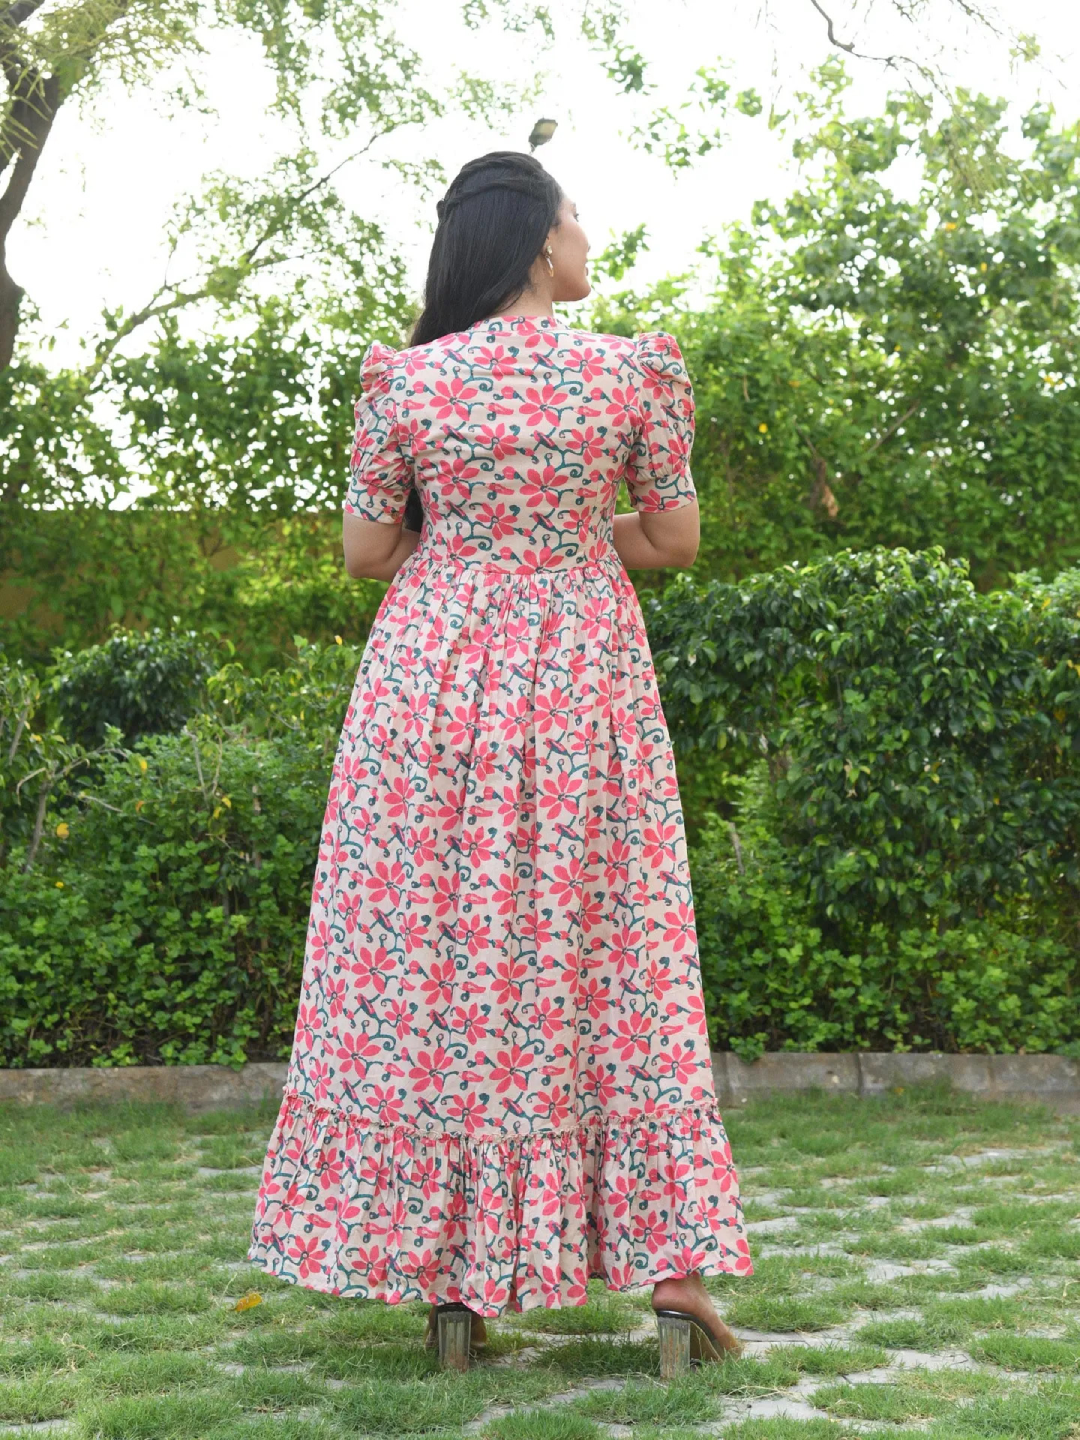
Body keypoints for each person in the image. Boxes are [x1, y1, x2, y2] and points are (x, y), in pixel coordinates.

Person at [247, 150, 752, 1372]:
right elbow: (672, 539)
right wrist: (568, 529)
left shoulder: (407, 381)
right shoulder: (632, 370)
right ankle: (675, 1279)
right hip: (583, 683)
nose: (587, 234)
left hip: (429, 690)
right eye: (575, 216)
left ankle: (451, 1288)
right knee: (615, 953)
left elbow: (368, 556)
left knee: (436, 961)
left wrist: (471, 530)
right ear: (536, 240)